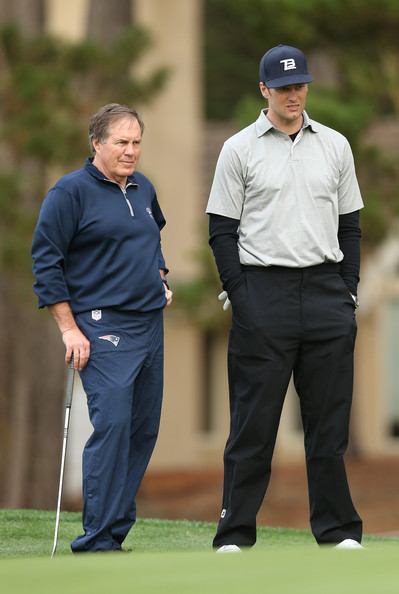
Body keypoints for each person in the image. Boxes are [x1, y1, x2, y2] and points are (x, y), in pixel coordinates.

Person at [206, 45, 364, 551]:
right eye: (283, 87)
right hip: (263, 294)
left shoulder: (336, 145)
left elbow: (351, 226)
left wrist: (348, 290)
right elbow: (221, 232)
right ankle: (234, 532)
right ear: (263, 90)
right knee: (253, 425)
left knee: (328, 426)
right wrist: (242, 297)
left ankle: (337, 529)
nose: (294, 95)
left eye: (300, 86)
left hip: (326, 293)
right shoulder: (238, 149)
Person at [32, 103, 172, 553]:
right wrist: (69, 330)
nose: (131, 151)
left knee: (141, 430)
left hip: (150, 326)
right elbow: (46, 262)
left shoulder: (144, 188)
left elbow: (152, 241)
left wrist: (161, 277)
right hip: (101, 327)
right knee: (112, 425)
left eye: (136, 143)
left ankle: (113, 532)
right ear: (96, 143)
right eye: (121, 143)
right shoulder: (69, 193)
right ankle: (95, 538)